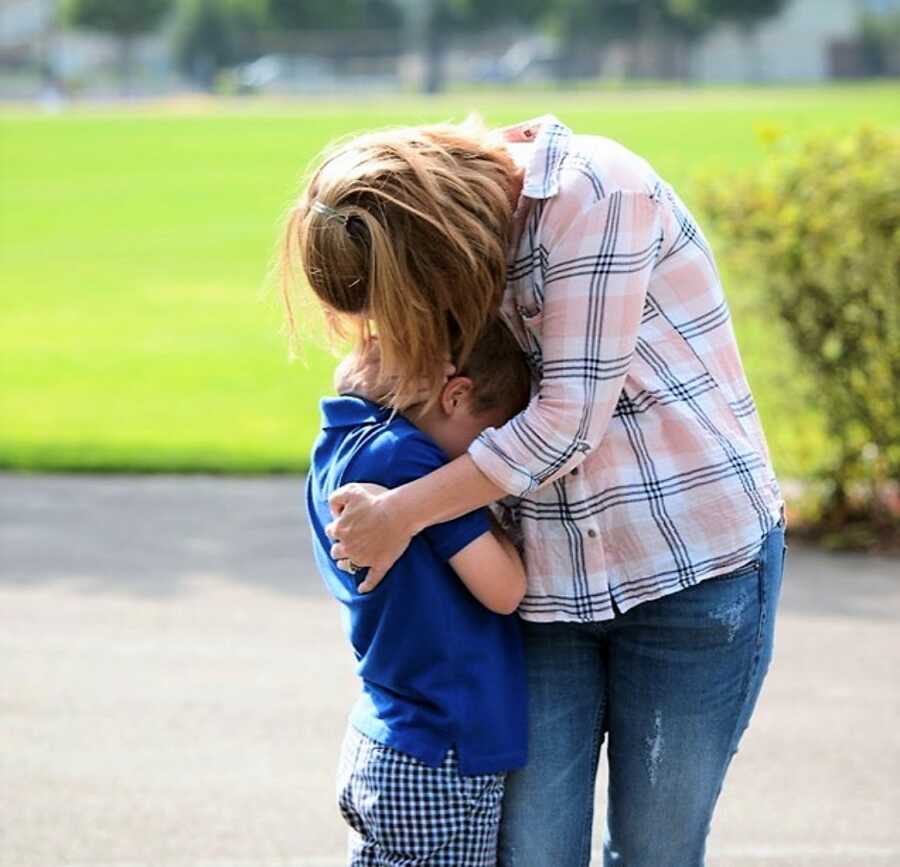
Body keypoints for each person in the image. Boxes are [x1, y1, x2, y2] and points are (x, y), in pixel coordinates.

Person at [281, 111, 788, 866]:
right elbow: (390, 379)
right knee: (532, 854)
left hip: (692, 573)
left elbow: (564, 423)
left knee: (653, 851)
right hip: (547, 589)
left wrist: (400, 513)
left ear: (435, 244)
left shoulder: (598, 192)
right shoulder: (441, 243)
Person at [306, 317, 533, 866]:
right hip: (441, 754)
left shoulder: (336, 445)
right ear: (457, 396)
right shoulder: (406, 461)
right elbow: (506, 590)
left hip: (387, 737)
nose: (484, 463)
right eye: (489, 439)